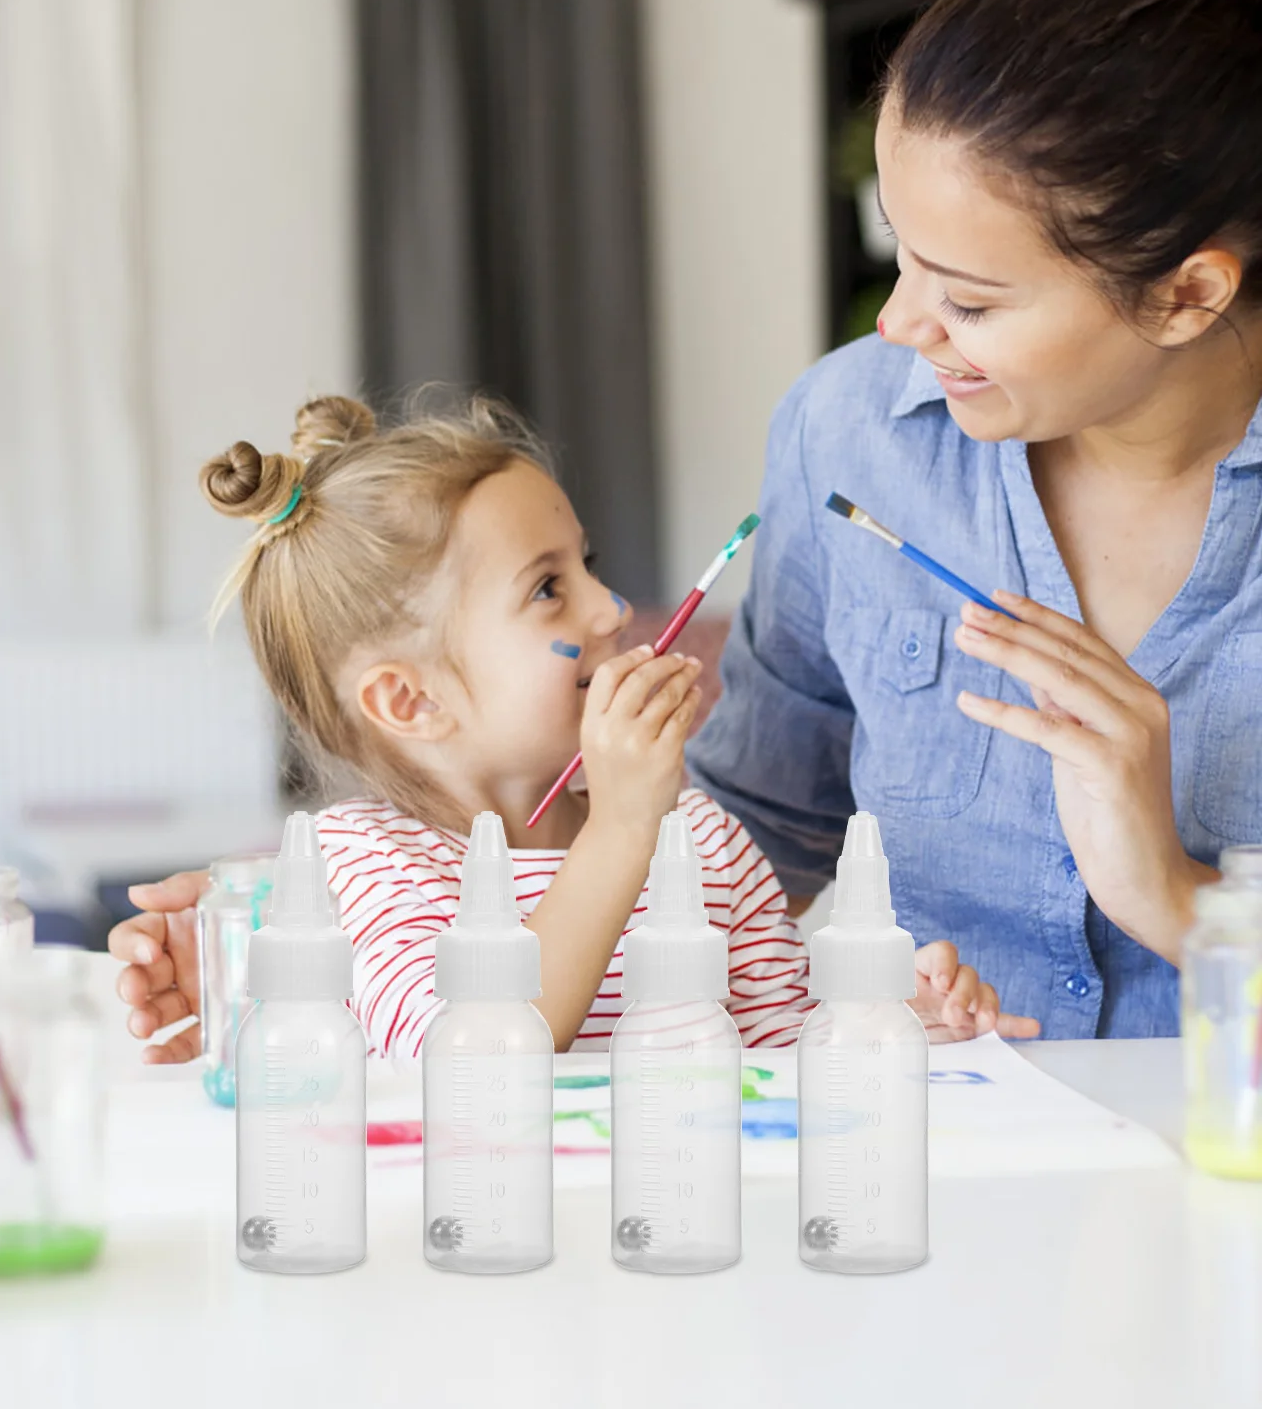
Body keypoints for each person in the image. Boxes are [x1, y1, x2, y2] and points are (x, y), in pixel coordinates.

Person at [688, 0, 1262, 1040]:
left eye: (970, 300)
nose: (899, 325)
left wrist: (1172, 896)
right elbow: (750, 835)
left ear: (1186, 295)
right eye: (901, 251)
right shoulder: (848, 432)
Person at [110, 395, 1030, 1059]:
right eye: (548, 588)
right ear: (411, 702)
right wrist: (625, 827)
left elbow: (785, 1051)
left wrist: (897, 1019)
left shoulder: (700, 840)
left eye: (585, 566)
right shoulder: (356, 868)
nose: (610, 607)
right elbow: (471, 1050)